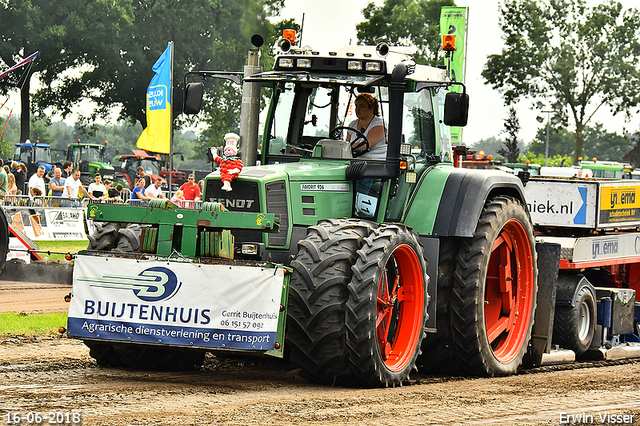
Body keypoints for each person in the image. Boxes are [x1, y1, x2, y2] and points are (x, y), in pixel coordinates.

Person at [345, 93, 387, 160]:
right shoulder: (352, 124)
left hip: (376, 163)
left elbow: (363, 146)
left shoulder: (380, 124)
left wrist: (343, 146)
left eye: (362, 106)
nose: (357, 109)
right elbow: (346, 144)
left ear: (371, 108)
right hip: (355, 161)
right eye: (356, 106)